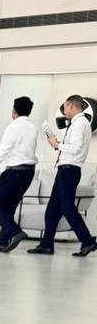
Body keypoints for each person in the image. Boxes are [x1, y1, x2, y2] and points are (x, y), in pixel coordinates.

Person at [27, 95, 96, 258]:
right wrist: (58, 145)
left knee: (67, 208)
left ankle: (88, 242)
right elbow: (73, 147)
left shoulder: (79, 123)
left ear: (71, 106)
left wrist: (57, 145)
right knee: (52, 210)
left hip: (69, 170)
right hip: (66, 170)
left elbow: (76, 148)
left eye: (65, 107)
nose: (64, 111)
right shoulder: (79, 123)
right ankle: (46, 245)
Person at [0, 96, 38, 253]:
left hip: (14, 172)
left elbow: (3, 151)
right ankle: (2, 242)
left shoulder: (13, 127)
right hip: (29, 173)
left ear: (14, 111)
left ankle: (16, 232)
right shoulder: (33, 127)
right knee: (9, 209)